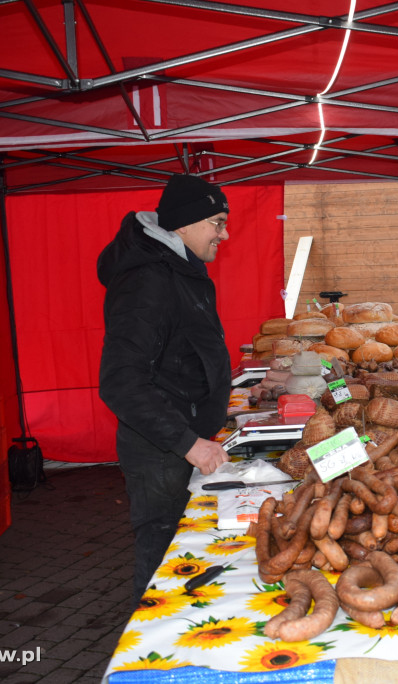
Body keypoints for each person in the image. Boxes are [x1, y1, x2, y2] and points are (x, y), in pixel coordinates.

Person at [98, 174, 232, 604]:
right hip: (160, 449)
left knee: (185, 556)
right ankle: (151, 661)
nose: (223, 234)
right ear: (185, 224)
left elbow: (184, 348)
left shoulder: (178, 266)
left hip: (182, 436)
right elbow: (121, 379)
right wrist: (187, 442)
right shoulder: (147, 281)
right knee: (163, 560)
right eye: (217, 222)